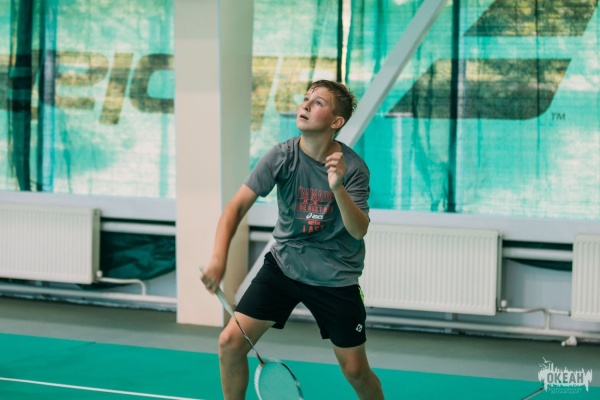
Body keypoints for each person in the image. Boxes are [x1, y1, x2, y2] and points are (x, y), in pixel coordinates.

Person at [201, 79, 384, 400]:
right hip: (284, 268)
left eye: (318, 102)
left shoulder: (353, 168)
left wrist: (337, 186)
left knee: (356, 371)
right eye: (306, 98)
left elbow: (358, 230)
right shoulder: (282, 156)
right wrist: (219, 259)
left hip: (335, 277)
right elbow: (235, 207)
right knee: (230, 343)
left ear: (336, 121)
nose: (306, 105)